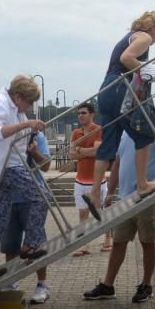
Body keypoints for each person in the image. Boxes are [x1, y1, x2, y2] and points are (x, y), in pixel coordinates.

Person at [83, 128, 155, 302]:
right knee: (119, 242)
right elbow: (118, 165)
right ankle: (108, 286)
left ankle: (146, 285)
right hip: (125, 199)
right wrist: (110, 192)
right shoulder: (123, 133)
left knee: (147, 242)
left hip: (146, 198)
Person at [86, 11, 155, 220]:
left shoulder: (128, 36)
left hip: (106, 90)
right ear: (154, 29)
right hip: (120, 89)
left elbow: (120, 60)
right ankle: (142, 184)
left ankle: (95, 193)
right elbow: (127, 58)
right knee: (146, 134)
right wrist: (145, 69)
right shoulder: (144, 37)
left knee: (107, 146)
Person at [0, 75, 48, 279]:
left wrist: (28, 138)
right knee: (42, 195)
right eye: (28, 102)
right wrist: (26, 124)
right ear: (18, 97)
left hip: (7, 167)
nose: (28, 107)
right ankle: (30, 244)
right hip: (8, 166)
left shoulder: (13, 108)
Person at [1, 128, 54, 304]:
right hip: (8, 198)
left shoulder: (36, 136)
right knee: (10, 245)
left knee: (36, 243)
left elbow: (46, 166)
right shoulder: (3, 136)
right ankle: (11, 281)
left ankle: (42, 284)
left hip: (32, 197)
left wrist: (34, 152)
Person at [69, 102, 113, 255]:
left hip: (97, 180)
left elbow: (97, 151)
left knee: (102, 211)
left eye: (84, 113)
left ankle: (108, 239)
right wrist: (85, 151)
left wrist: (80, 150)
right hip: (80, 180)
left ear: (92, 114)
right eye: (79, 113)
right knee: (83, 213)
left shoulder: (97, 129)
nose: (80, 115)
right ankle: (84, 244)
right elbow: (71, 154)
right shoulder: (75, 133)